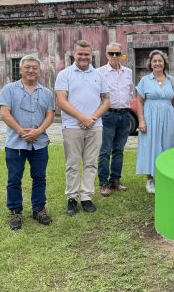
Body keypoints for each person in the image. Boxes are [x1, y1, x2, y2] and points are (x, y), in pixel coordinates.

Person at [0, 55, 55, 230]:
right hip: (16, 143)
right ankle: (15, 212)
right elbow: (5, 113)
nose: (31, 70)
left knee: (39, 178)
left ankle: (39, 209)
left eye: (34, 68)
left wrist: (38, 131)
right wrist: (22, 131)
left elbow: (50, 115)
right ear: (20, 69)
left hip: (40, 143)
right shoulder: (9, 89)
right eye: (27, 67)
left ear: (39, 70)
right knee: (14, 179)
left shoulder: (46, 92)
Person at [55, 40, 110, 215]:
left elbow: (106, 100)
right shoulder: (64, 74)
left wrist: (92, 118)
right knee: (72, 164)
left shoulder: (99, 75)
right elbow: (61, 101)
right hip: (72, 126)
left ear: (91, 54)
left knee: (91, 163)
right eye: (80, 54)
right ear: (74, 54)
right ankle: (71, 198)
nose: (84, 57)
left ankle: (86, 197)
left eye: (87, 54)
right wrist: (82, 118)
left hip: (95, 125)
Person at [136, 50, 174, 193]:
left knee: (167, 146)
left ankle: (164, 177)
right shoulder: (145, 80)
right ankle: (150, 180)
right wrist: (141, 121)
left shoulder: (171, 80)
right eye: (154, 61)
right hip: (150, 116)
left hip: (167, 116)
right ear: (151, 63)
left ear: (164, 63)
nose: (157, 63)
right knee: (150, 146)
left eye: (160, 61)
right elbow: (139, 102)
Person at [96, 43, 134, 196]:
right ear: (106, 55)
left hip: (125, 115)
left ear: (121, 54)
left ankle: (115, 180)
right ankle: (104, 183)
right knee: (105, 150)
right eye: (111, 53)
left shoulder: (128, 72)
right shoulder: (100, 73)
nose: (114, 56)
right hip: (108, 115)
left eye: (117, 53)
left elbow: (130, 91)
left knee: (119, 150)